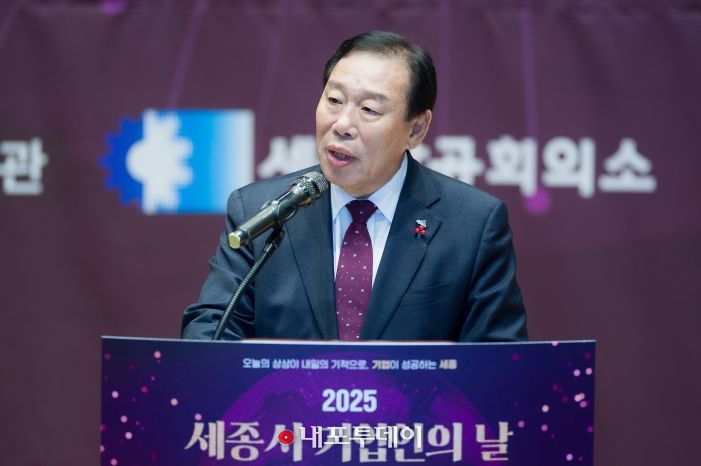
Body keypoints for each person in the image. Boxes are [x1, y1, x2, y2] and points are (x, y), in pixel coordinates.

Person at [181, 31, 527, 342]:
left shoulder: (472, 225)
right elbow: (211, 329)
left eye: (369, 109)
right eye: (334, 100)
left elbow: (497, 362)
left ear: (416, 129)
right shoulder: (261, 209)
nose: (342, 124)